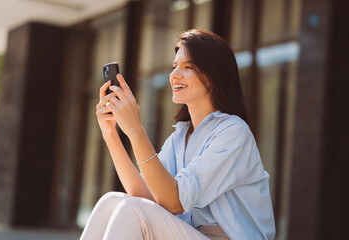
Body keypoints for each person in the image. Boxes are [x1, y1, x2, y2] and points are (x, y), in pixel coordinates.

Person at [80, 29, 275, 240]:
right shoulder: (180, 137)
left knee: (133, 210)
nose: (174, 75)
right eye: (174, 67)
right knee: (111, 201)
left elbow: (173, 202)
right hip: (190, 234)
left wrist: (136, 131)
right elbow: (146, 196)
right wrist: (111, 134)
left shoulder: (233, 132)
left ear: (215, 75)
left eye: (188, 67)